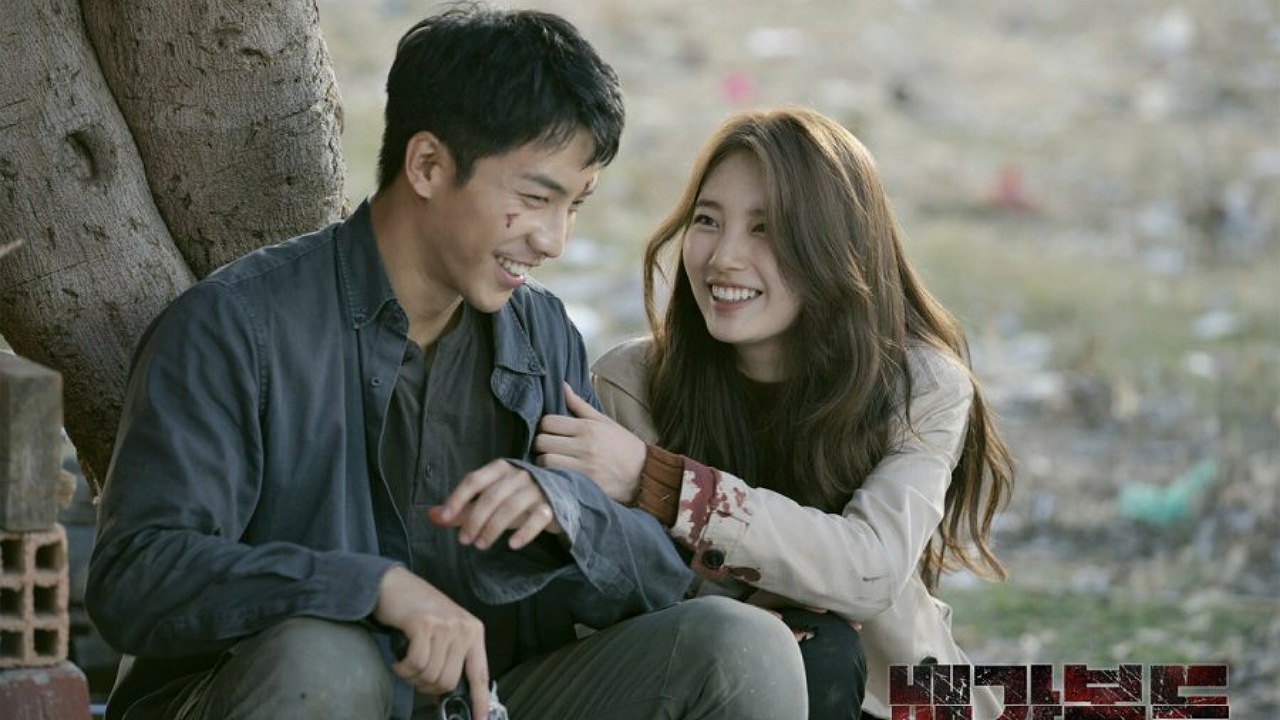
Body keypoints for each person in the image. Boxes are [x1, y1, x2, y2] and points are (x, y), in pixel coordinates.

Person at [85, 8, 808, 720]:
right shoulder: (235, 327)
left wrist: (571, 512)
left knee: (742, 647)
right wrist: (370, 588)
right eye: (535, 198)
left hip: (488, 703)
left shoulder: (543, 334)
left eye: (576, 206)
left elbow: (654, 584)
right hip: (268, 696)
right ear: (428, 165)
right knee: (326, 663)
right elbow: (137, 578)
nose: (554, 240)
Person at [535, 106, 1016, 720]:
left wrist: (662, 483)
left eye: (766, 228)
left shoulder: (920, 385)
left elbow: (870, 570)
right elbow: (639, 590)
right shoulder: (631, 383)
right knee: (805, 651)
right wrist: (785, 593)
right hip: (723, 693)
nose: (724, 257)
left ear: (835, 246)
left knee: (824, 649)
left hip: (892, 695)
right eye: (708, 220)